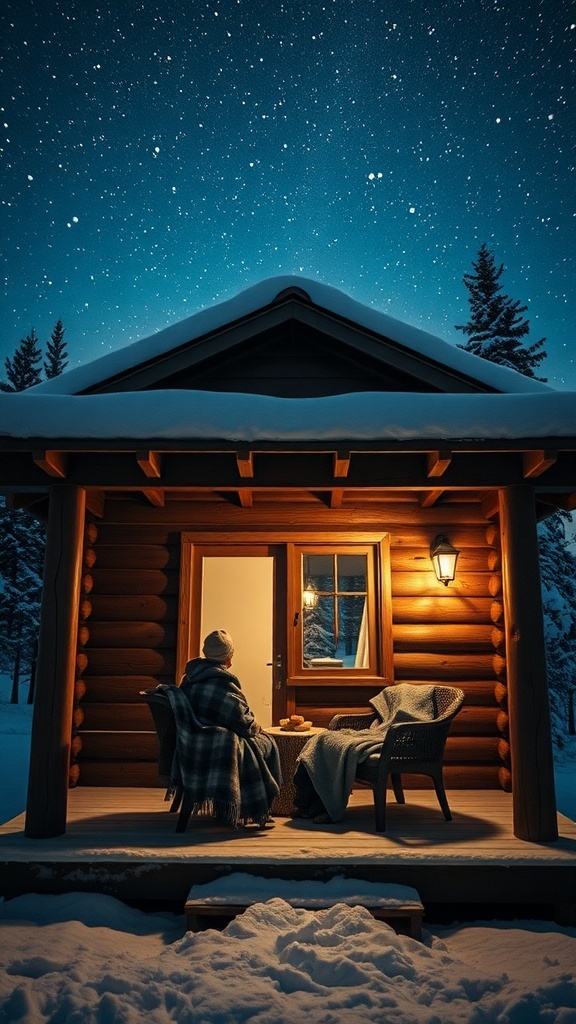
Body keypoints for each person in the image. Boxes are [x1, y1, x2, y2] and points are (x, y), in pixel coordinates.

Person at [161, 629, 281, 829]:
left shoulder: (189, 677)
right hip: (214, 745)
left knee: (253, 743)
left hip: (190, 744)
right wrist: (257, 726)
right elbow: (242, 722)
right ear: (228, 656)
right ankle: (258, 808)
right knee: (267, 743)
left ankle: (250, 807)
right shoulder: (222, 682)